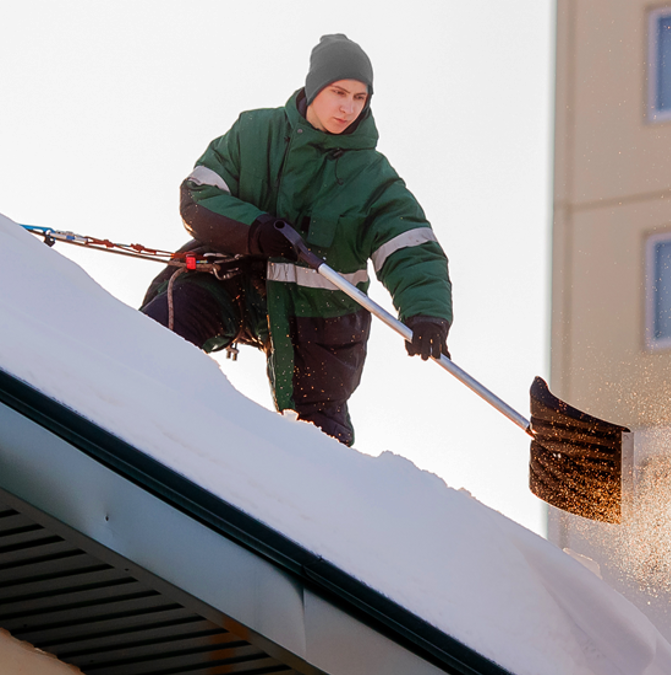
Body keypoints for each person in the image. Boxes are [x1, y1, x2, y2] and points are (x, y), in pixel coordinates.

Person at [141, 34, 453, 447]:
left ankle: (311, 506)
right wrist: (254, 228)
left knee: (323, 442)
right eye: (338, 92)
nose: (348, 107)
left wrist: (427, 313)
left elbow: (410, 245)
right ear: (313, 88)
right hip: (231, 280)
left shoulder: (372, 176)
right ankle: (132, 416)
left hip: (318, 322)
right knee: (161, 332)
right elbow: (198, 194)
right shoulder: (256, 132)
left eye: (360, 97)